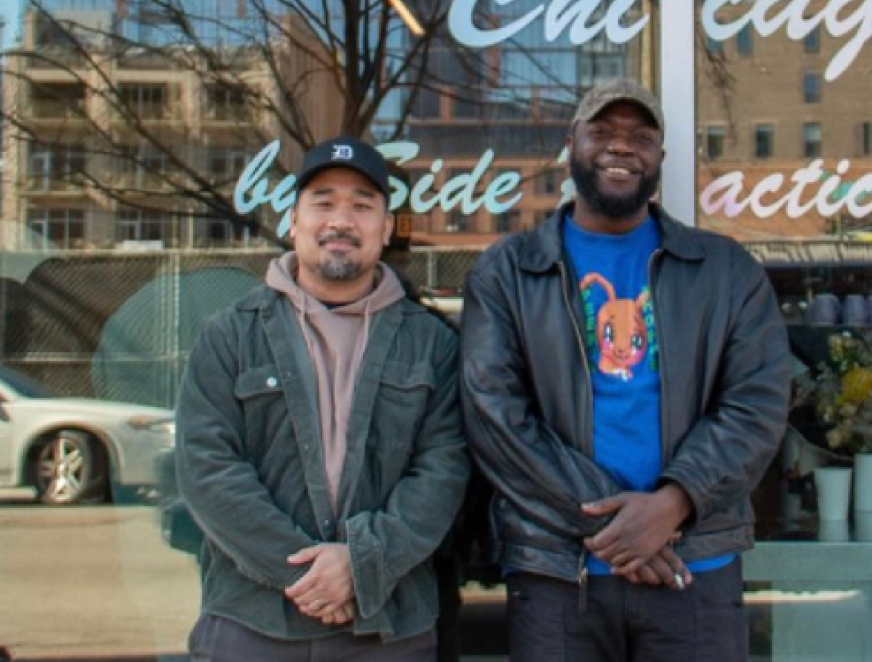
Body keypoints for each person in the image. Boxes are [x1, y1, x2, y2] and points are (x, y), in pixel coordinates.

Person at [460, 79, 790, 662]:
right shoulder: (508, 272)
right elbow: (496, 419)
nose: (622, 147)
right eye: (603, 132)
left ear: (660, 156)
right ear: (572, 145)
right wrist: (621, 528)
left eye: (640, 136)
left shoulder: (725, 269)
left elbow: (756, 405)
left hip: (693, 568)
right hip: (558, 574)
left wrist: (673, 504)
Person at [175, 137, 469, 662]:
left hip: (389, 631)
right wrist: (310, 576)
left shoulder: (433, 344)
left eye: (361, 206)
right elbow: (207, 469)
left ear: (385, 228)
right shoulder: (230, 336)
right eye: (323, 202)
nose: (341, 220)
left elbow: (444, 471)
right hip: (253, 623)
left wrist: (361, 565)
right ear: (293, 221)